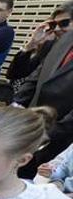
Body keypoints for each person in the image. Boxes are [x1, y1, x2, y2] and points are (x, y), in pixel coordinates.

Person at [15, 26, 73, 179]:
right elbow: (37, 75)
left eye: (64, 22)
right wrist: (16, 106)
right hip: (30, 124)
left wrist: (51, 133)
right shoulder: (65, 39)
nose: (57, 27)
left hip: (60, 136)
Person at [7, 2, 73, 88]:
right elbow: (15, 74)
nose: (57, 29)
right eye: (53, 25)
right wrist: (32, 44)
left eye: (63, 23)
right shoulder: (51, 46)